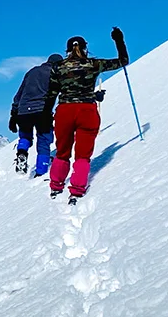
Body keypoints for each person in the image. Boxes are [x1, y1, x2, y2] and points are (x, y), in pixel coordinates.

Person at [45, 27, 129, 202]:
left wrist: (46, 115)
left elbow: (51, 94)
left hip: (65, 111)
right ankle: (77, 188)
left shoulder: (57, 67)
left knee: (62, 151)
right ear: (85, 48)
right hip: (87, 110)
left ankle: (56, 185)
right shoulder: (94, 64)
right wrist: (118, 40)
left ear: (67, 51)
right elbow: (123, 61)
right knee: (83, 154)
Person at [9, 54, 64, 176]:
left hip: (23, 111)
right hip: (42, 111)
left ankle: (22, 152)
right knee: (44, 140)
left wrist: (13, 114)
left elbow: (19, 94)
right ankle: (41, 170)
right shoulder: (56, 74)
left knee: (25, 136)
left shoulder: (32, 71)